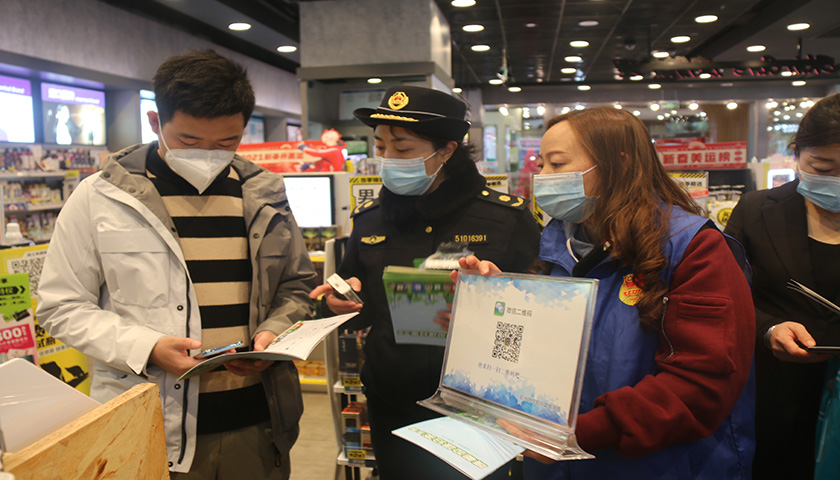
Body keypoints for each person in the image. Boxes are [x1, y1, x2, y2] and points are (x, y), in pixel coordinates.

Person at [37, 50, 317, 479]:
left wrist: (274, 333)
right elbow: (62, 305)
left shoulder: (264, 195)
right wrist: (146, 347)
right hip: (148, 424)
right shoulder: (101, 197)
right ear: (155, 122)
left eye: (226, 143)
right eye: (189, 140)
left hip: (257, 423)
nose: (208, 154)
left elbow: (295, 286)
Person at [460, 106, 756, 479]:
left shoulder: (695, 249)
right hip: (556, 462)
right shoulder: (558, 242)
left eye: (557, 164)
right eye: (541, 165)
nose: (542, 178)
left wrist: (582, 432)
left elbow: (701, 384)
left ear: (619, 164)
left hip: (659, 466)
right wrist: (496, 304)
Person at [310, 85, 540, 479]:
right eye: (380, 147)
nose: (387, 159)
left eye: (402, 149)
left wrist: (491, 309)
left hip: (478, 405)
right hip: (393, 400)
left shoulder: (505, 218)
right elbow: (358, 306)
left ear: (447, 150)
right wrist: (335, 304)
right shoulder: (370, 220)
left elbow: (540, 316)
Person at [725, 93, 840, 479]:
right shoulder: (756, 210)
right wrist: (769, 328)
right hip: (775, 393)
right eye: (823, 167)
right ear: (797, 154)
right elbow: (724, 294)